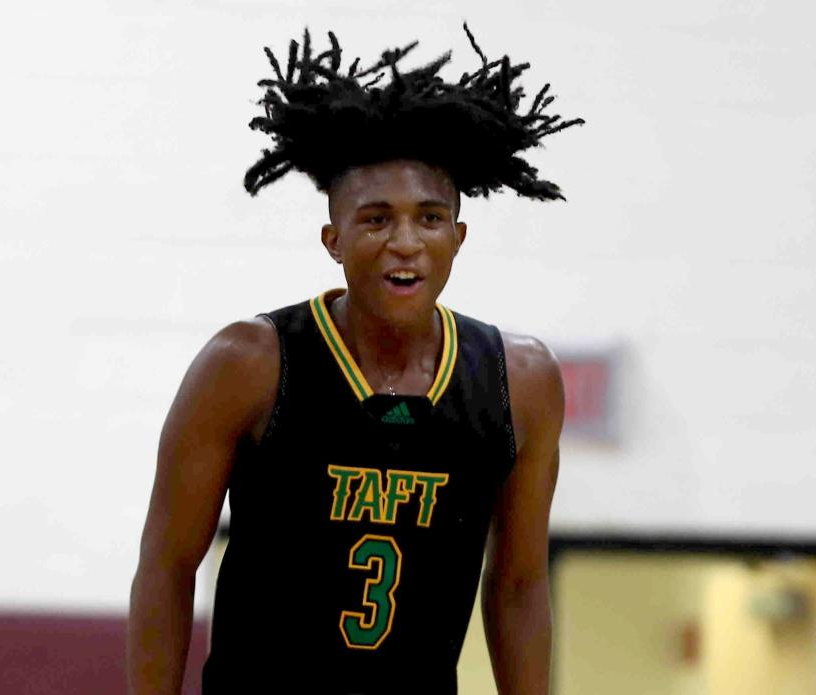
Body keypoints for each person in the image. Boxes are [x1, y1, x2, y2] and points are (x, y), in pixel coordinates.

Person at [128, 25, 582, 695]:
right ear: (333, 238)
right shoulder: (249, 363)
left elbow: (517, 584)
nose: (406, 242)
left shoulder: (520, 379)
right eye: (376, 219)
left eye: (429, 219)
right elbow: (166, 568)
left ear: (458, 236)